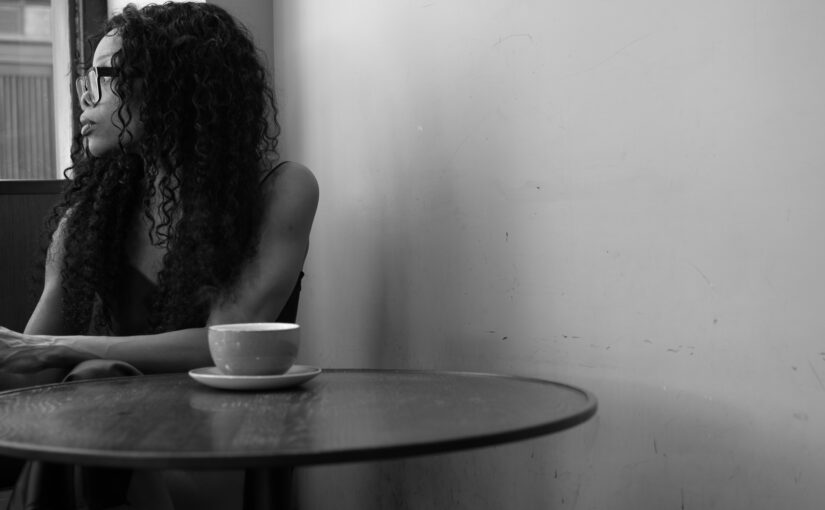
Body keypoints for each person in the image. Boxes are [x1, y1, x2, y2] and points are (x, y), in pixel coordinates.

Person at [0, 2, 318, 508]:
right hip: (97, 439)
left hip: (216, 444)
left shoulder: (280, 191)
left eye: (103, 76)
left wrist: (68, 351)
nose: (86, 95)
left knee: (93, 383)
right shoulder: (85, 222)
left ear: (172, 84)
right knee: (87, 398)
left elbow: (223, 344)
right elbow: (32, 362)